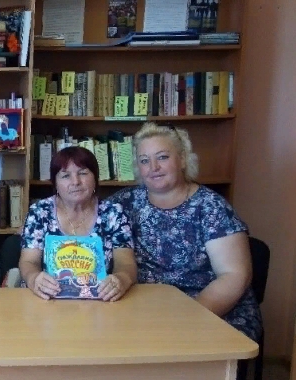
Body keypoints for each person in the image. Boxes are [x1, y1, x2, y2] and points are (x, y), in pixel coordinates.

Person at [110, 123, 262, 341]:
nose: (153, 167)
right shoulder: (122, 203)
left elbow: (234, 276)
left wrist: (186, 321)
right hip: (144, 309)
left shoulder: (211, 207)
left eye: (162, 157)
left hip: (211, 309)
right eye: (144, 161)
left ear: (182, 160)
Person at [19, 146, 137, 302]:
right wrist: (34, 278)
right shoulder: (40, 212)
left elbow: (126, 263)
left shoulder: (113, 213)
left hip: (102, 301)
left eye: (83, 173)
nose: (75, 182)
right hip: (47, 299)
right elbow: (28, 261)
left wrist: (121, 279)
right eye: (65, 176)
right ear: (55, 183)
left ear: (95, 178)